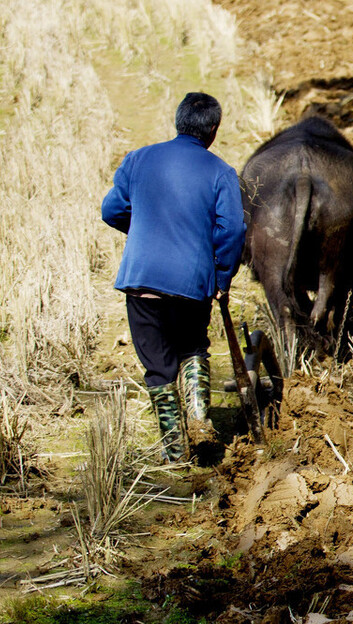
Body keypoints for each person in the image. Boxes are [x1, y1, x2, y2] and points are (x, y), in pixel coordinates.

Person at [101, 92, 246, 463]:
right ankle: (199, 423)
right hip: (191, 285)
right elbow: (231, 232)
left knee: (158, 366)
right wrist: (222, 278)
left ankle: (174, 451)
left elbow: (112, 210)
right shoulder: (221, 172)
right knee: (194, 348)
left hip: (142, 282)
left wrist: (145, 230)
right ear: (213, 130)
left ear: (178, 121)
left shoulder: (137, 159)